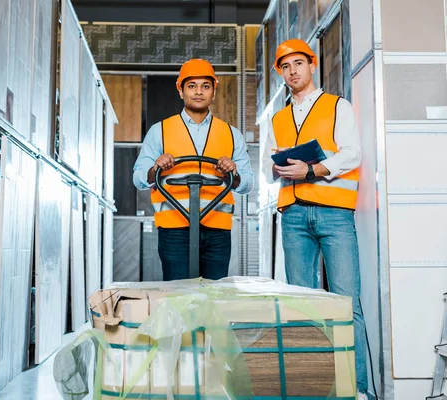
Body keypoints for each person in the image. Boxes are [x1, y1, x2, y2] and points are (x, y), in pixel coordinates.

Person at [262, 38, 368, 399]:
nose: (293, 71)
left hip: (334, 215)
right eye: (286, 66)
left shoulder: (337, 106)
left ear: (311, 66)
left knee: (346, 303)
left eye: (298, 64)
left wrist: (312, 169)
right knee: (301, 306)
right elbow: (268, 171)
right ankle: (310, 386)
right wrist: (280, 168)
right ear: (281, 73)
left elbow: (352, 155)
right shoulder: (277, 118)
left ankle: (356, 388)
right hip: (292, 216)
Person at [133, 58, 254, 281]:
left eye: (205, 86)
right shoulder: (159, 131)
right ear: (181, 91)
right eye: (192, 86)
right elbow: (139, 178)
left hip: (217, 231)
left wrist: (233, 174)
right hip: (174, 229)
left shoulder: (231, 134)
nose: (199, 92)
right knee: (179, 297)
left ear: (213, 92)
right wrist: (155, 168)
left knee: (214, 298)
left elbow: (247, 183)